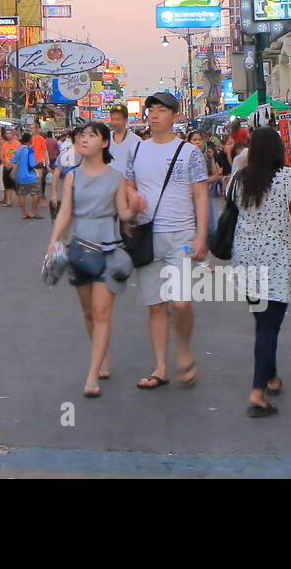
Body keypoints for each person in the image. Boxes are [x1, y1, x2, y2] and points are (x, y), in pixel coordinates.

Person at [46, 121, 137, 398]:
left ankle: (92, 373)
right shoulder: (71, 176)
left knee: (100, 313)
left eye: (91, 136)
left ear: (105, 143)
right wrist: (54, 241)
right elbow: (65, 212)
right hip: (80, 249)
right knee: (88, 313)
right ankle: (103, 357)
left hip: (108, 249)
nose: (84, 140)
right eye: (81, 136)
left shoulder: (117, 177)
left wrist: (135, 207)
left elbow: (123, 214)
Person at [124, 91, 208, 390]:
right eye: (151, 110)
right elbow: (129, 184)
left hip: (181, 235)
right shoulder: (139, 150)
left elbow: (200, 195)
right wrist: (132, 197)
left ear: (174, 115)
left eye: (161, 110)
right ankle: (160, 367)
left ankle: (184, 350)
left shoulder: (189, 152)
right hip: (148, 236)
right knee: (156, 306)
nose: (154, 115)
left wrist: (201, 235)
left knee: (181, 302)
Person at [230, 127, 291, 418]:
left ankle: (271, 377)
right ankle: (257, 392)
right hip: (277, 260)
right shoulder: (288, 177)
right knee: (269, 326)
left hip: (245, 259)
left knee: (263, 322)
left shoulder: (242, 178)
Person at [50, 126, 82, 219]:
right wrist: (55, 195)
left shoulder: (90, 155)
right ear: (75, 138)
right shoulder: (65, 155)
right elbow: (56, 176)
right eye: (82, 136)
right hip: (67, 197)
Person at [13, 130, 43, 219]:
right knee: (35, 194)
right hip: (30, 176)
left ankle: (23, 213)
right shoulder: (30, 150)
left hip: (20, 177)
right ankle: (33, 212)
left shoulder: (19, 150)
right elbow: (32, 164)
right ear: (29, 140)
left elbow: (14, 160)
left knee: (22, 194)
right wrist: (39, 164)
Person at [107, 105, 139, 179]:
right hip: (107, 185)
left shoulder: (136, 141)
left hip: (127, 185)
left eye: (117, 119)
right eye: (112, 119)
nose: (114, 122)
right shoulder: (105, 138)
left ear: (126, 120)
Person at [0, 128, 20, 207]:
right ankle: (9, 201)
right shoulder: (4, 144)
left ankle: (20, 200)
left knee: (16, 185)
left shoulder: (17, 144)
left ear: (13, 134)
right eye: (7, 133)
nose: (8, 135)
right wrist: (6, 162)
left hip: (15, 166)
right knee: (7, 184)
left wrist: (13, 163)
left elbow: (19, 155)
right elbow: (1, 156)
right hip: (6, 166)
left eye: (10, 133)